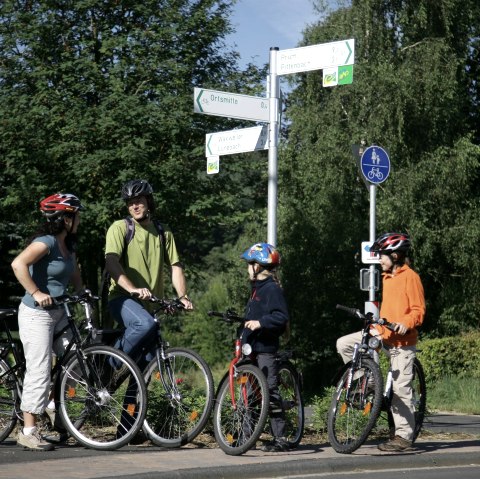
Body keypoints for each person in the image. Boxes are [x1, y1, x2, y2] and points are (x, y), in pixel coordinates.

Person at [336, 232, 426, 452]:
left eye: (383, 256)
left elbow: (418, 310)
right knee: (345, 344)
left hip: (402, 343)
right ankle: (367, 381)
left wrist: (406, 323)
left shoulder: (410, 277)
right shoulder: (387, 277)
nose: (380, 260)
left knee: (400, 390)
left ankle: (403, 437)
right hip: (382, 335)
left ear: (395, 256)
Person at [11, 193, 85, 451]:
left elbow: (73, 271)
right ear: (66, 218)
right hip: (36, 314)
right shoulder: (46, 242)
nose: (79, 220)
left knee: (76, 357)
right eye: (76, 215)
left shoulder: (69, 245)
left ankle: (52, 403)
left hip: (59, 311)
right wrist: (36, 292)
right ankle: (28, 430)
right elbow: (18, 264)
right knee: (40, 369)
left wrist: (81, 292)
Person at [104, 179, 193, 372]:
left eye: (138, 200)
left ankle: (131, 402)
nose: (134, 206)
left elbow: (175, 267)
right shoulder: (120, 228)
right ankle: (109, 364)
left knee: (147, 362)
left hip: (151, 302)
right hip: (122, 297)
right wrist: (132, 289)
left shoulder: (163, 232)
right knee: (143, 323)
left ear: (149, 201)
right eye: (130, 202)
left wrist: (182, 297)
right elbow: (111, 261)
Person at [240, 242, 290, 452]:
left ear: (258, 266)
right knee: (249, 393)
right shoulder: (256, 289)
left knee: (269, 390)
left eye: (249, 264)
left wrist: (261, 323)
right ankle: (246, 436)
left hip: (265, 347)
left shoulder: (271, 289)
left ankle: (281, 437)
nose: (247, 268)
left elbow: (281, 316)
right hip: (251, 346)